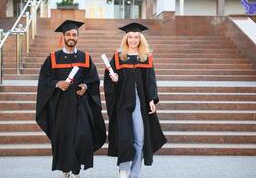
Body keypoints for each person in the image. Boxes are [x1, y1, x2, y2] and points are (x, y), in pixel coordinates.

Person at [36, 20, 106, 178]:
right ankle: (66, 171)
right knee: (64, 139)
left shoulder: (85, 58)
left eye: (74, 34)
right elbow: (44, 81)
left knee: (82, 136)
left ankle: (76, 170)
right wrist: (56, 83)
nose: (71, 37)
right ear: (63, 36)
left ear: (78, 37)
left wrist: (86, 87)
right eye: (68, 34)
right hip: (60, 106)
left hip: (80, 105)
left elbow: (93, 80)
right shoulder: (53, 58)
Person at [104, 22, 167, 178]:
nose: (133, 40)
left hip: (140, 103)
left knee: (140, 139)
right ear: (126, 39)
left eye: (136, 37)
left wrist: (152, 99)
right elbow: (109, 80)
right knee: (125, 137)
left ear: (140, 39)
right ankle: (124, 170)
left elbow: (151, 80)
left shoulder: (146, 58)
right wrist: (114, 78)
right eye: (130, 37)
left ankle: (135, 174)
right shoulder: (118, 58)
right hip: (123, 103)